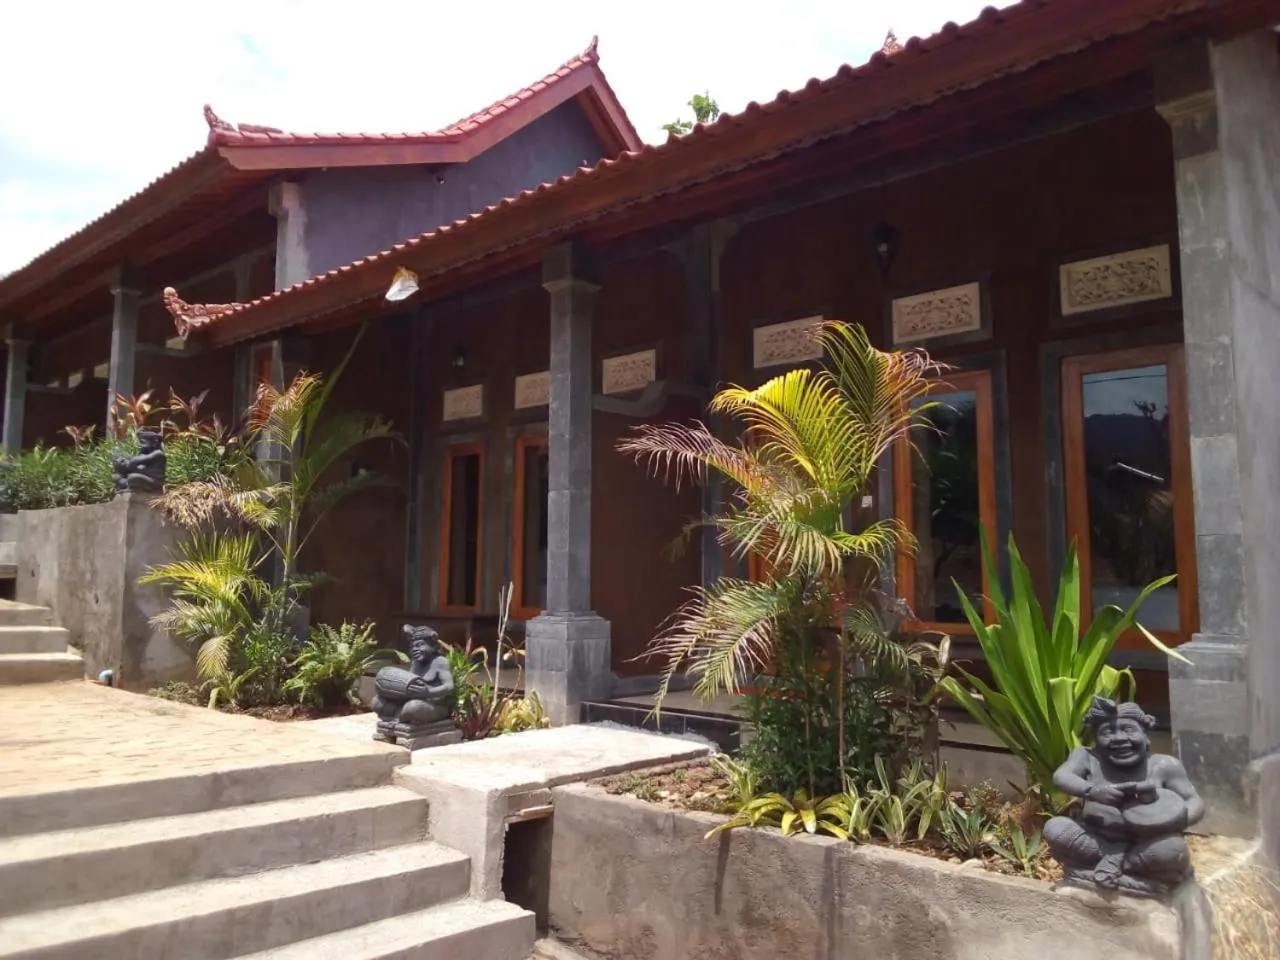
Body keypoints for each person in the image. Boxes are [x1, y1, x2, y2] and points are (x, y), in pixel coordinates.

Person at [1044, 696, 1205, 896]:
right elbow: (1062, 776)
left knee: (1173, 849)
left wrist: (1172, 820)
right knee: (1055, 828)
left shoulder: (1163, 765)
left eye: (1128, 730)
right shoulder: (1087, 757)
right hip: (1098, 841)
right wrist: (1092, 791)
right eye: (1108, 732)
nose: (1119, 738)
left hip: (1143, 846)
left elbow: (1194, 800)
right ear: (1096, 739)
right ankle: (1120, 869)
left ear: (1146, 736)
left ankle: (1119, 866)